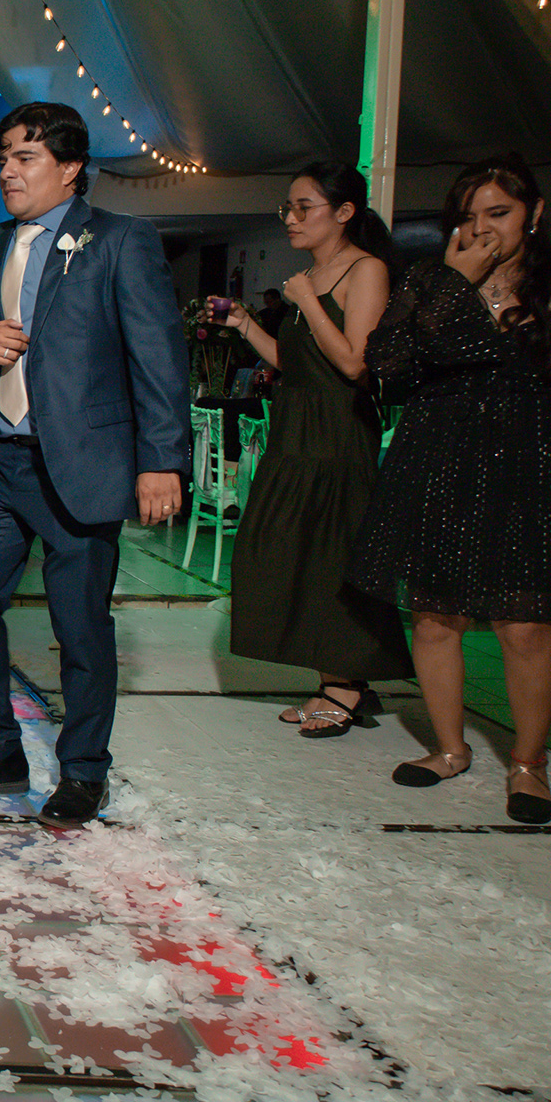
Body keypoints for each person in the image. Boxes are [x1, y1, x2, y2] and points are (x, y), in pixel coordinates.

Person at [0, 102, 189, 827]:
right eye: (3, 157)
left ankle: (84, 770)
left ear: (70, 168)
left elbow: (158, 356)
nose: (8, 170)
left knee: (81, 625)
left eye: (25, 157)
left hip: (80, 464)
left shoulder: (120, 240)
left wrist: (162, 460)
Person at [350, 156, 551, 824]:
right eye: (468, 217)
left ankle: (528, 764)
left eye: (499, 213)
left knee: (525, 625)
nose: (483, 228)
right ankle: (449, 748)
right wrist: (454, 284)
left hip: (527, 462)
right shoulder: (431, 280)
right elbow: (386, 366)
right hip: (440, 461)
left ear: (534, 214)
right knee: (437, 616)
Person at [209, 163, 411, 735]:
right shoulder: (311, 275)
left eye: (304, 208)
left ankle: (343, 686)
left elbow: (354, 363)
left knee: (328, 556)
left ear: (344, 212)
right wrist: (244, 324)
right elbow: (292, 360)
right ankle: (340, 678)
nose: (292, 219)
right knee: (277, 549)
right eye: (288, 208)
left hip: (336, 433)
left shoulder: (365, 270)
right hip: (295, 429)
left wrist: (308, 300)